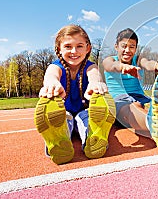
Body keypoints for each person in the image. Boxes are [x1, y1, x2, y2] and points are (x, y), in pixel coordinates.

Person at [35, 24, 114, 165]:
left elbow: (94, 75)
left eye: (79, 46)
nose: (74, 51)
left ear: (88, 48)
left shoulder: (91, 66)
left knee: (86, 118)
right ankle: (58, 142)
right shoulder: (55, 66)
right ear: (58, 48)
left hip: (84, 110)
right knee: (65, 120)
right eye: (68, 46)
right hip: (63, 112)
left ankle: (93, 139)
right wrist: (52, 84)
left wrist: (95, 83)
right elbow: (51, 75)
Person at [102, 28, 158, 151]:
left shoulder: (137, 60)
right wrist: (123, 67)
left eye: (132, 47)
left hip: (141, 96)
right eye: (124, 46)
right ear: (116, 47)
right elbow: (111, 66)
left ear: (136, 48)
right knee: (133, 107)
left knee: (149, 106)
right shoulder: (109, 60)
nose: (127, 50)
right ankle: (156, 125)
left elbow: (148, 63)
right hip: (119, 99)